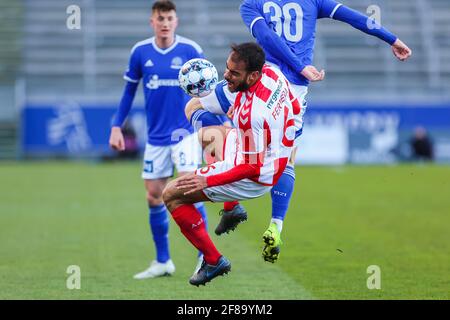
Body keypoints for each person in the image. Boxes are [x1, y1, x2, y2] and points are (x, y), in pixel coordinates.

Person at [189, 0, 413, 264]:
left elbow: (265, 36)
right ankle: (276, 224)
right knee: (286, 156)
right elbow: (355, 18)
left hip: (261, 81)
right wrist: (392, 39)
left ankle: (231, 200)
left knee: (195, 108)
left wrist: (297, 65)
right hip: (291, 91)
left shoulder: (252, 4)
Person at [163, 42, 296, 286]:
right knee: (206, 130)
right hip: (266, 150)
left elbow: (251, 167)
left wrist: (207, 179)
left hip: (254, 176)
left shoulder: (252, 115)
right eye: (227, 69)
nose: (226, 76)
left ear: (253, 75)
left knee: (171, 194)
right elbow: (295, 107)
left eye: (234, 73)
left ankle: (213, 260)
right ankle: (231, 208)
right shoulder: (273, 73)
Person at [109, 0, 209, 279]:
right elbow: (128, 92)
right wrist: (117, 126)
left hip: (183, 134)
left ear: (176, 21)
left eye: (169, 18)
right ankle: (163, 261)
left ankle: (206, 257)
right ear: (152, 22)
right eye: (160, 18)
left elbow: (207, 90)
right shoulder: (140, 52)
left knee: (191, 191)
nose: (165, 22)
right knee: (154, 196)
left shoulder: (191, 50)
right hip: (155, 138)